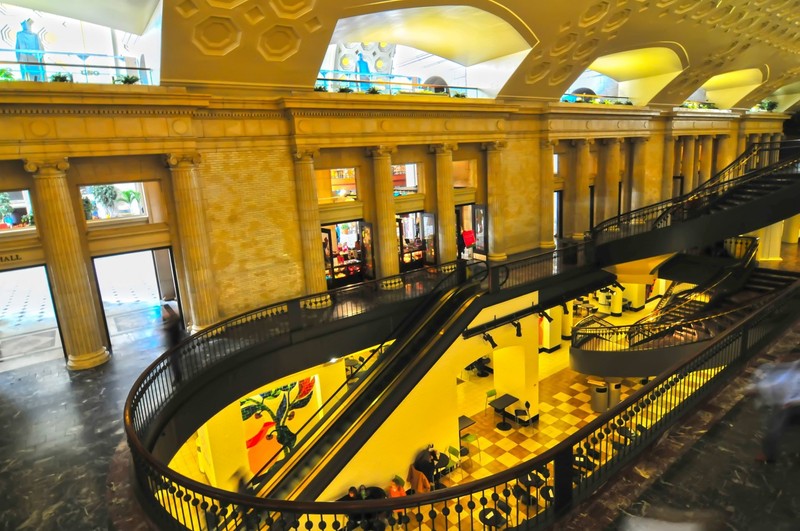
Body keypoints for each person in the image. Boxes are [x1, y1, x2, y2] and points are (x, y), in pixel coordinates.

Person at [748, 358, 800, 463]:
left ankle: (768, 454)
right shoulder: (792, 369)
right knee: (774, 428)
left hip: (789, 405)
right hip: (787, 404)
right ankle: (768, 453)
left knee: (774, 428)